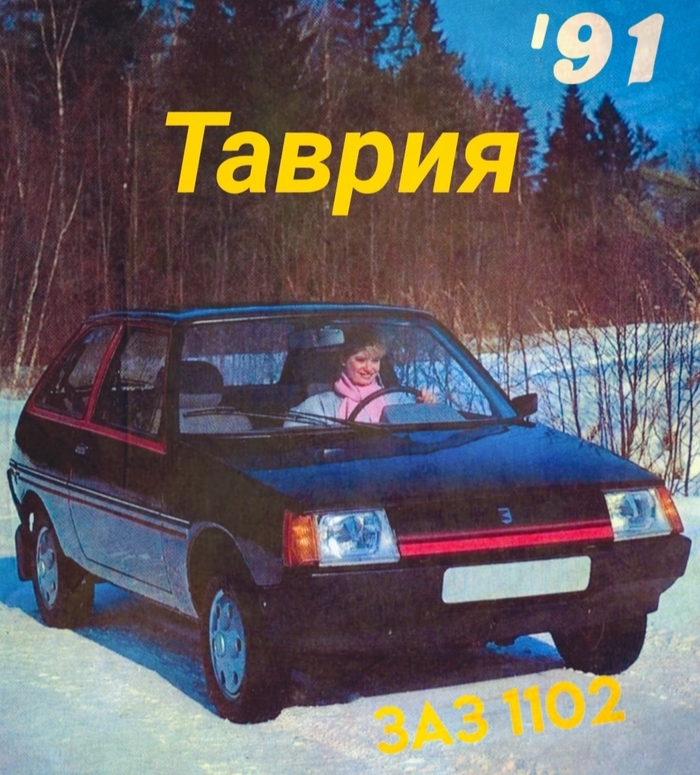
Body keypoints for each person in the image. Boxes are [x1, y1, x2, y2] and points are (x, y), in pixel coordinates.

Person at [285, 326, 434, 425]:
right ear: (343, 359)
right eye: (361, 360)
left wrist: (424, 408)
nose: (369, 368)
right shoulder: (320, 406)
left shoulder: (396, 400)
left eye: (375, 360)